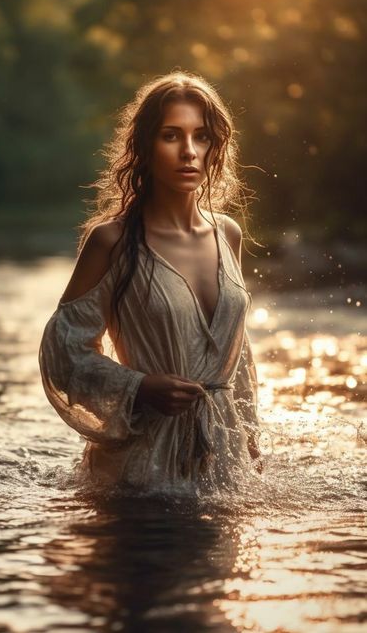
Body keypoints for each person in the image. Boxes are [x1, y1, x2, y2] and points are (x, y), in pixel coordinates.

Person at [39, 71, 262, 494]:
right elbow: (63, 351)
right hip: (142, 471)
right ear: (144, 146)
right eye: (171, 136)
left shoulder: (228, 233)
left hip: (224, 463)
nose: (189, 152)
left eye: (202, 137)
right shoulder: (112, 240)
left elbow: (240, 355)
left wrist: (251, 446)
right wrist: (139, 387)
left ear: (216, 147)